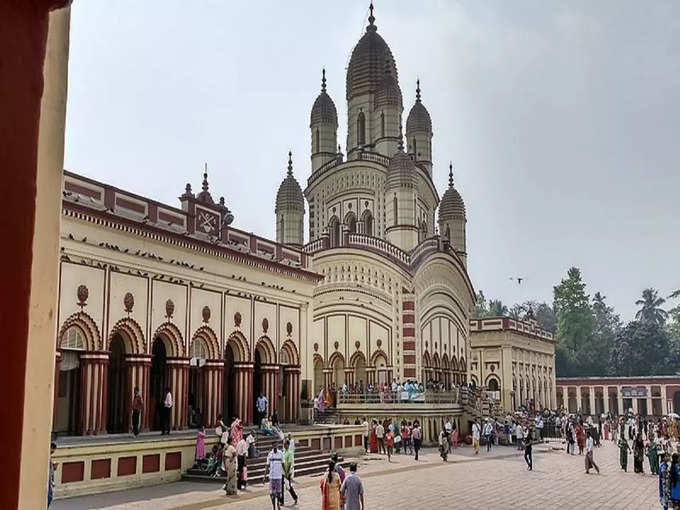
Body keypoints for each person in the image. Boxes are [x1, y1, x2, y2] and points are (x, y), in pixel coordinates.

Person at [265, 444, 283, 509]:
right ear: (272, 446)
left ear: (277, 446)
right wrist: (264, 476)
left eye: (276, 445)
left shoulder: (280, 453)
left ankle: (278, 502)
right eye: (274, 445)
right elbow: (267, 465)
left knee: (278, 493)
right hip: (272, 477)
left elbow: (283, 463)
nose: (275, 447)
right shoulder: (270, 454)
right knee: (271, 493)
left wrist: (285, 473)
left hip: (278, 476)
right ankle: (273, 506)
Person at [281, 440, 298, 505]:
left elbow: (290, 463)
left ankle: (295, 497)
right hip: (282, 471)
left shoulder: (290, 453)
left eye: (285, 444)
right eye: (284, 444)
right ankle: (281, 501)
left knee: (288, 486)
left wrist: (287, 472)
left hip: (287, 472)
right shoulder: (283, 452)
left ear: (288, 445)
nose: (284, 445)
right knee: (281, 487)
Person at [48, 442, 57, 508]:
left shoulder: (50, 457)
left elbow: (51, 471)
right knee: (49, 497)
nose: (53, 452)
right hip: (48, 481)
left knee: (50, 497)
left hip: (49, 481)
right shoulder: (47, 457)